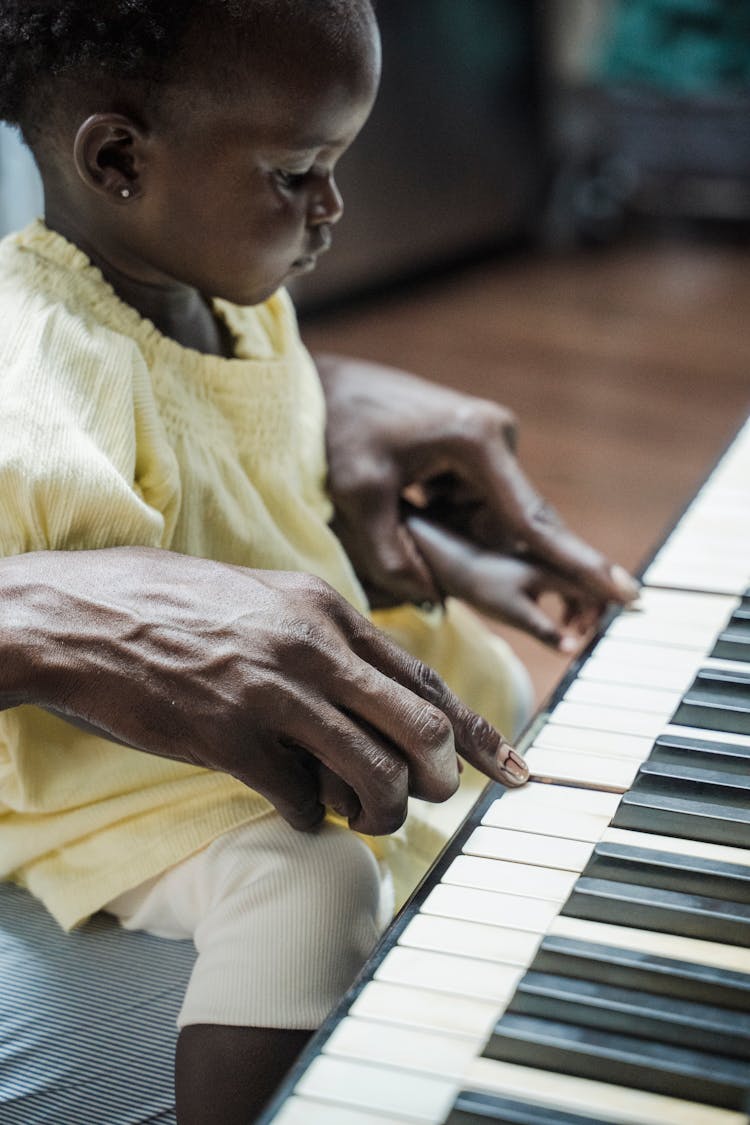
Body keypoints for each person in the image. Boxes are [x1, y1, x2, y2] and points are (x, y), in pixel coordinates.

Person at [0, 1, 638, 1120]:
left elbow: (260, 510)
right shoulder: (45, 360)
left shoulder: (236, 308)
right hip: (102, 773)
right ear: (117, 159)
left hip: (238, 709)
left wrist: (423, 569)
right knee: (307, 878)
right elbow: (94, 640)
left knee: (481, 677)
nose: (332, 210)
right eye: (297, 173)